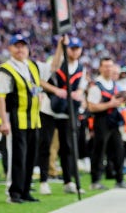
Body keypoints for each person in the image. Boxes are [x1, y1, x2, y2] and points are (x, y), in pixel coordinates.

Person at [0, 34, 67, 203]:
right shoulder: (6, 69)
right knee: (17, 157)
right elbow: (0, 97)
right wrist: (4, 121)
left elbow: (54, 66)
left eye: (23, 46)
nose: (20, 49)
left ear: (28, 49)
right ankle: (14, 193)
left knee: (29, 157)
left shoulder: (33, 66)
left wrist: (60, 47)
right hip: (16, 119)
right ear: (10, 49)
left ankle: (26, 190)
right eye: (16, 46)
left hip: (33, 118)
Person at [39, 36, 87, 195]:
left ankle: (68, 181)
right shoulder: (57, 61)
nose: (75, 51)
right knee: (45, 144)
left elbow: (81, 87)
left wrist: (77, 94)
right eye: (72, 48)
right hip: (49, 109)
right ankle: (44, 181)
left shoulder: (81, 68)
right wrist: (56, 91)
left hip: (67, 111)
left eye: (77, 48)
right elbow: (42, 80)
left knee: (68, 146)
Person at [86, 57, 126, 190]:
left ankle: (120, 179)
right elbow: (91, 107)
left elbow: (121, 104)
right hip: (101, 121)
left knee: (119, 150)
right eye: (106, 66)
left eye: (110, 66)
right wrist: (110, 104)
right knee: (99, 151)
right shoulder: (96, 85)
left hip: (113, 121)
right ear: (101, 68)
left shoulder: (114, 85)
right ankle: (95, 181)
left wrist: (122, 101)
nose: (108, 69)